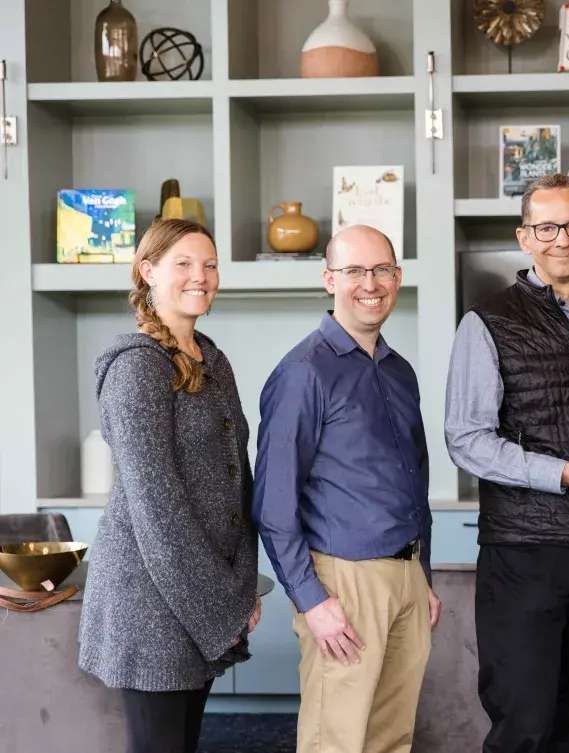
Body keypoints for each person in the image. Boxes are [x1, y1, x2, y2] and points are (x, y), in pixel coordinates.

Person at [444, 173, 569, 752]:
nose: (562, 238)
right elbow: (467, 439)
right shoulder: (486, 322)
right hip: (525, 553)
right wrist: (560, 473)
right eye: (547, 226)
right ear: (525, 237)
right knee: (524, 726)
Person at [253, 225, 440, 753]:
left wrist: (420, 574)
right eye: (355, 271)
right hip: (343, 582)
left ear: (398, 277)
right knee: (335, 740)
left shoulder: (399, 371)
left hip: (404, 577)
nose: (371, 283)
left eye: (382, 269)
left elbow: (414, 479)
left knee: (391, 738)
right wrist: (311, 600)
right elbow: (273, 503)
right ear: (329, 279)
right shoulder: (302, 373)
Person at [78, 219, 262, 753]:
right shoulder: (135, 367)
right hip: (149, 603)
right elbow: (159, 510)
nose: (200, 276)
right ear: (148, 272)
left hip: (199, 594)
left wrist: (241, 583)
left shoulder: (212, 357)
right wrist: (224, 601)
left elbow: (237, 481)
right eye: (183, 263)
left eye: (208, 264)